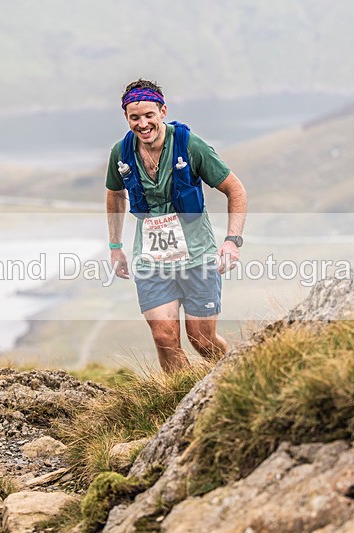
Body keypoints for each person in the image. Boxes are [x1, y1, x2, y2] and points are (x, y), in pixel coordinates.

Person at [106, 79, 247, 372]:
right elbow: (115, 194)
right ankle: (178, 403)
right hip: (151, 259)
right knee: (164, 337)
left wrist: (232, 240)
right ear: (126, 118)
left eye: (149, 116)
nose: (143, 124)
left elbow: (236, 190)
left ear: (163, 111)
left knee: (202, 341)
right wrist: (115, 247)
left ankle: (234, 374)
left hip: (197, 256)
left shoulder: (190, 145)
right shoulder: (121, 153)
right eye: (135, 117)